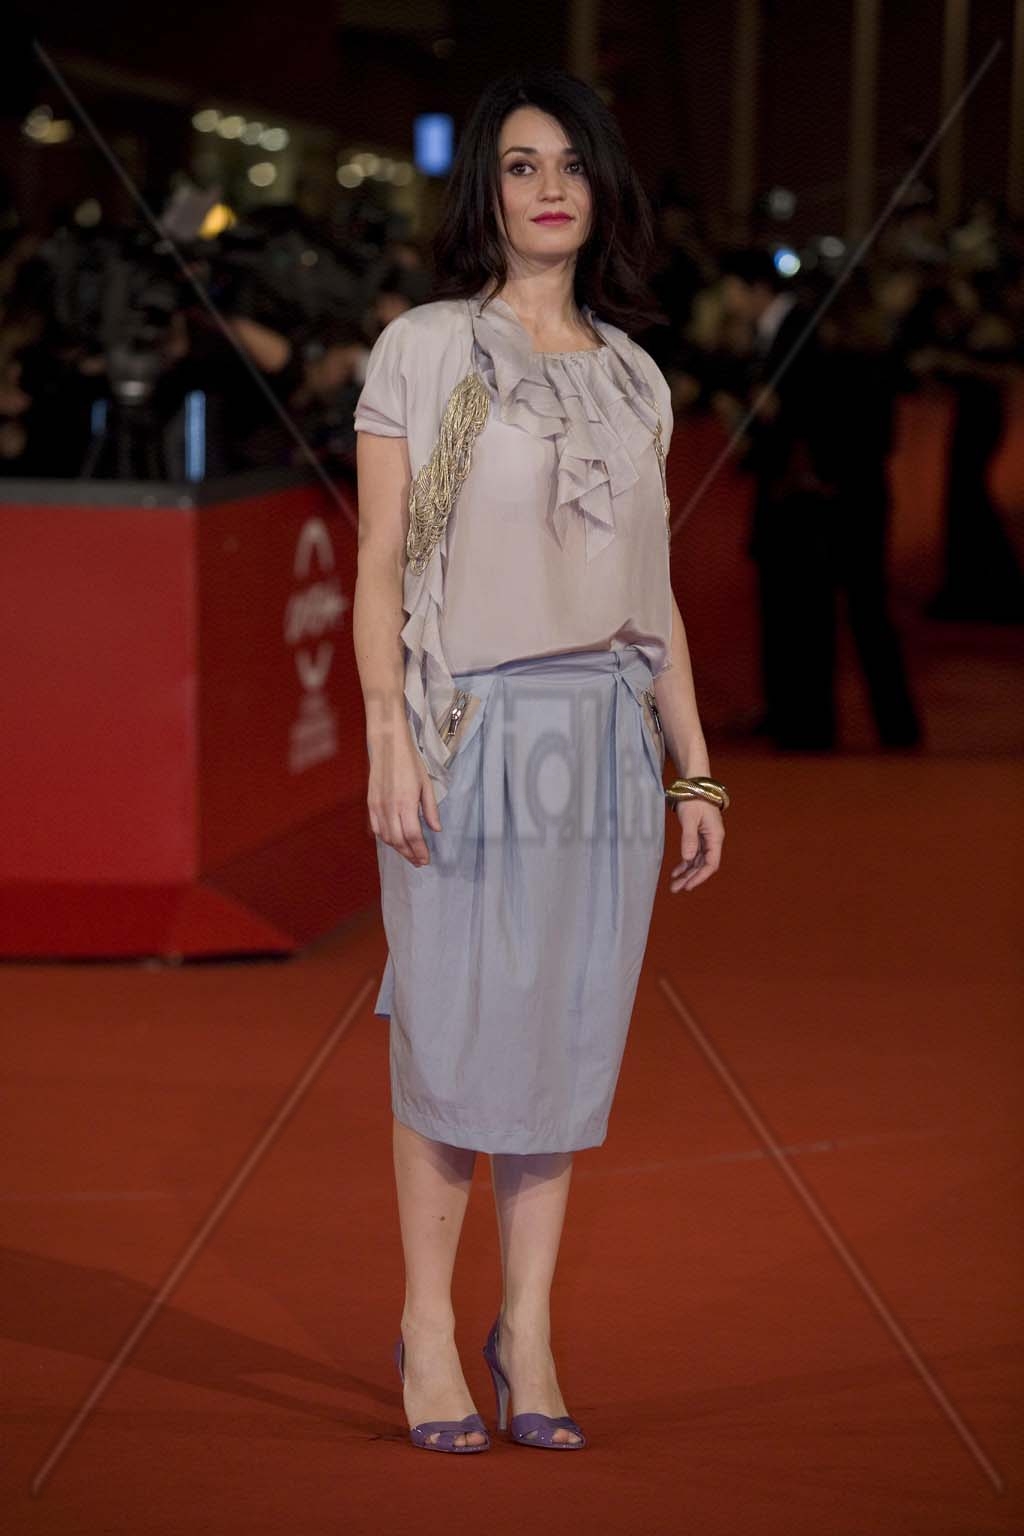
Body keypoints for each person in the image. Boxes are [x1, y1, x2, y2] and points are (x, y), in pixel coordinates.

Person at [352, 67, 727, 1455]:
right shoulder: (425, 349)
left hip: (605, 741)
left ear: (602, 188)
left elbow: (654, 591)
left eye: (569, 163)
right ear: (488, 193)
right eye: (521, 165)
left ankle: (529, 1328)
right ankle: (428, 1327)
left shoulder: (635, 376)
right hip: (467, 732)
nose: (549, 186)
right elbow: (380, 562)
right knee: (452, 1036)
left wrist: (693, 765)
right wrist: (388, 734)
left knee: (566, 1042)